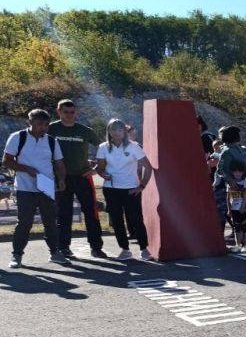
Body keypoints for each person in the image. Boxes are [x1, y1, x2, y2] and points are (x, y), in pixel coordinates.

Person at [3, 109, 67, 267]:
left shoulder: (52, 141)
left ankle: (55, 253)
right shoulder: (18, 137)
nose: (43, 128)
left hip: (47, 188)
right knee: (24, 223)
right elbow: (7, 161)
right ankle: (16, 256)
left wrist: (61, 180)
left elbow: (59, 164)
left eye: (46, 124)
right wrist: (27, 169)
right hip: (25, 189)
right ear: (30, 122)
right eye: (39, 124)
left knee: (51, 222)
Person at [49, 99, 105, 258]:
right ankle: (63, 247)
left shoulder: (85, 130)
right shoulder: (51, 129)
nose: (69, 115)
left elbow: (104, 148)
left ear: (76, 113)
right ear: (59, 112)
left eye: (72, 112)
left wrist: (96, 169)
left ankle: (96, 247)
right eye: (65, 112)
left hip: (83, 177)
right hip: (61, 178)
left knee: (91, 212)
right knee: (63, 213)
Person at [94, 118, 153, 261]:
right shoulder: (103, 147)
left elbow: (148, 167)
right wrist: (103, 175)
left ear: (124, 131)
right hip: (111, 189)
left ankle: (144, 249)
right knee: (117, 220)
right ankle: (125, 250)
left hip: (131, 189)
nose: (117, 132)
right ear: (108, 131)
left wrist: (141, 186)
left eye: (120, 129)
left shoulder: (134, 146)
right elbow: (100, 168)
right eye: (113, 129)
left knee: (136, 219)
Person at [226, 163, 246, 252]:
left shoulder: (245, 182)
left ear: (243, 172)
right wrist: (229, 209)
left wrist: (244, 207)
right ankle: (238, 245)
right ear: (232, 172)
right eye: (235, 171)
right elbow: (228, 198)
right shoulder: (230, 184)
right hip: (234, 209)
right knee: (237, 228)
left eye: (240, 171)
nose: (238, 173)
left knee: (244, 227)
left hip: (244, 209)